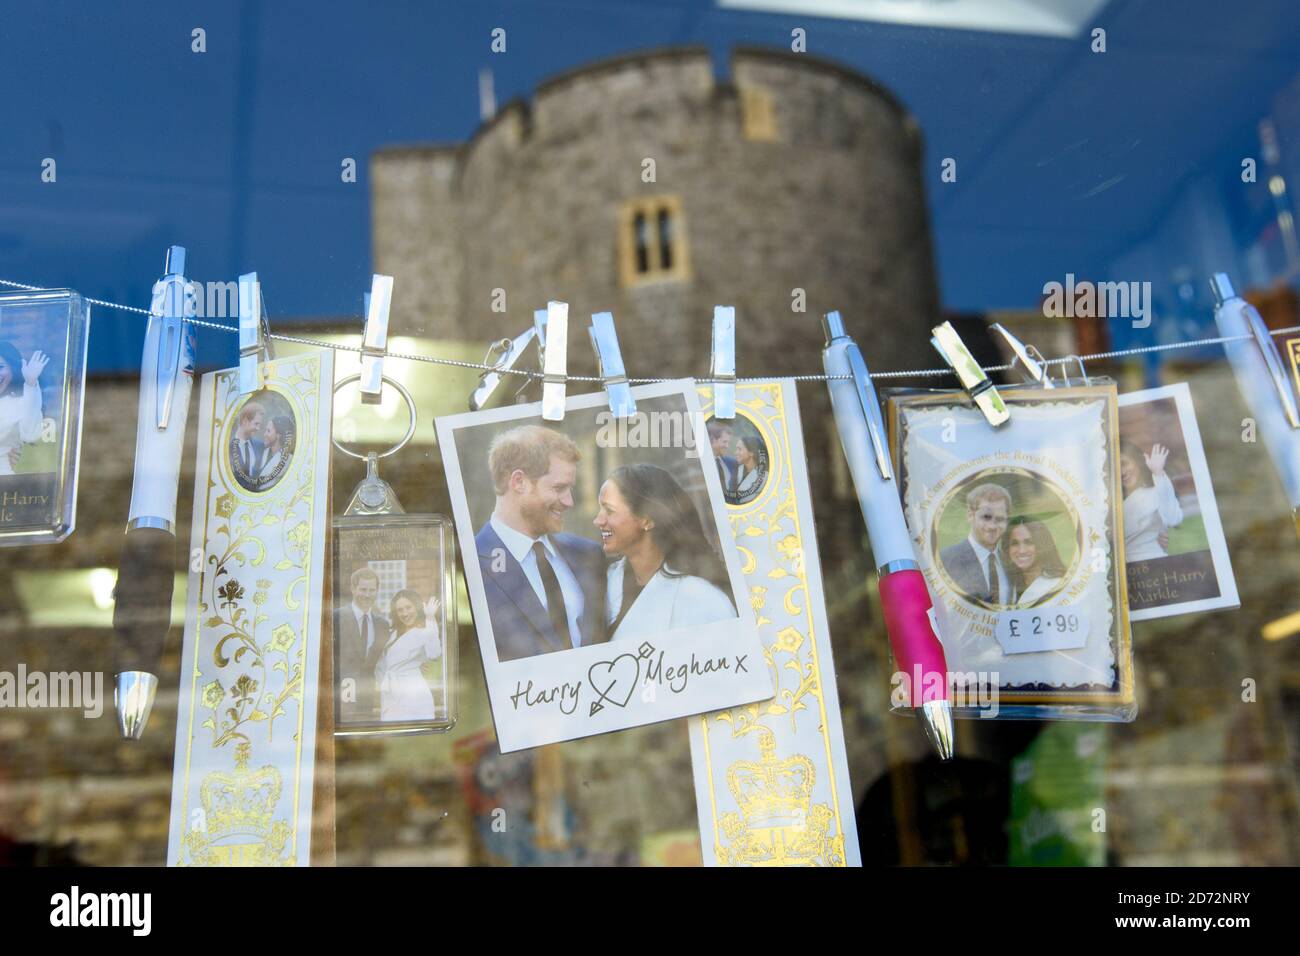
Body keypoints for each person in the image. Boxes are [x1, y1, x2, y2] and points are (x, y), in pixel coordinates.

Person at [474, 425, 608, 661]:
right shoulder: (474, 564)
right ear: (519, 482)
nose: (569, 501)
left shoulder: (588, 554)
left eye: (570, 488)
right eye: (559, 488)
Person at [593, 463, 736, 641]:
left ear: (647, 520)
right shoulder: (598, 583)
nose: (598, 520)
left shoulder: (704, 600)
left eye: (609, 510)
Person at [375, 588, 443, 722]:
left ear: (417, 607)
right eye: (400, 610)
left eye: (408, 607)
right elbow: (383, 662)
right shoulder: (393, 632)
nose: (405, 613)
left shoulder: (424, 631)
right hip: (391, 695)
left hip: (414, 696)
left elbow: (434, 654)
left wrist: (430, 618)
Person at [938, 483, 1013, 605]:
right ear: (970, 515)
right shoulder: (946, 560)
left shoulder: (1011, 562)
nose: (992, 526)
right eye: (986, 517)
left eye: (999, 519)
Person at [333, 567, 390, 722]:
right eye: (363, 589)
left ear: (377, 590)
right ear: (353, 588)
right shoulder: (336, 617)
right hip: (340, 692)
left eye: (372, 590)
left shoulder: (382, 624)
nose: (367, 594)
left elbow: (385, 656)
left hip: (367, 693)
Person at [1121, 440, 1183, 561]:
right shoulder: (1111, 504)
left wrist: (1158, 473)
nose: (1122, 472)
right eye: (1115, 469)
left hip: (1152, 564)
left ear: (1137, 461)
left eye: (1124, 463)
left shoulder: (1154, 492)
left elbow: (1173, 518)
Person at [0, 343, 47, 477]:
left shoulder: (19, 403)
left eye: (0, 367)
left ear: (13, 369)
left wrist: (31, 384)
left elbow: (31, 435)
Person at [1002, 516, 1067, 606]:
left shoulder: (1055, 586)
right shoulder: (1008, 587)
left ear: (1041, 545)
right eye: (1015, 543)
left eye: (1029, 542)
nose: (1022, 550)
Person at [230, 401, 266, 491]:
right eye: (256, 424)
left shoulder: (261, 447)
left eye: (259, 425)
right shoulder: (226, 449)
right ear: (245, 421)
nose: (258, 428)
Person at [255, 415, 294, 490]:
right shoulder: (260, 452)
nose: (264, 434)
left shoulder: (288, 460)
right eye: (266, 430)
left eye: (268, 431)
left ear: (278, 435)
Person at [708, 419, 738, 496]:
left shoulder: (732, 463)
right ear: (713, 440)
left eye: (728, 442)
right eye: (724, 442)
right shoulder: (700, 466)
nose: (727, 446)